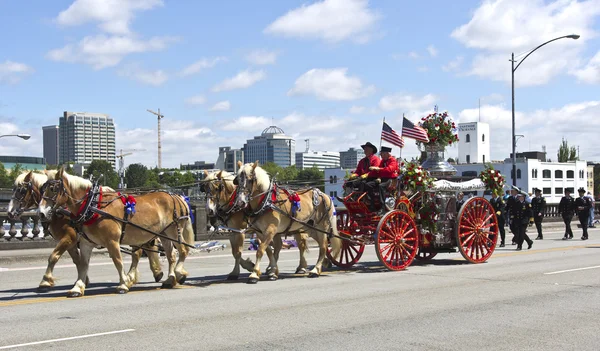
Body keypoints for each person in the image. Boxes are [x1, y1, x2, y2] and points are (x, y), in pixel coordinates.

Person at [344, 142, 381, 211]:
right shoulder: (362, 161)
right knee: (349, 182)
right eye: (364, 149)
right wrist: (354, 175)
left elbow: (376, 170)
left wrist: (366, 175)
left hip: (372, 178)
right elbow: (358, 171)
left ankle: (363, 199)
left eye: (366, 149)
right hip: (362, 178)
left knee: (362, 183)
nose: (365, 150)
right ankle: (349, 197)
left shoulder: (376, 159)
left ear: (371, 150)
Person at [368, 146, 399, 212]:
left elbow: (390, 169)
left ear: (388, 154)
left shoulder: (393, 160)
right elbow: (379, 171)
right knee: (369, 185)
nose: (382, 156)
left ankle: (382, 206)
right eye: (381, 154)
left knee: (381, 186)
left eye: (383, 154)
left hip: (391, 179)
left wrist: (379, 169)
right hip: (383, 179)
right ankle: (372, 203)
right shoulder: (382, 161)